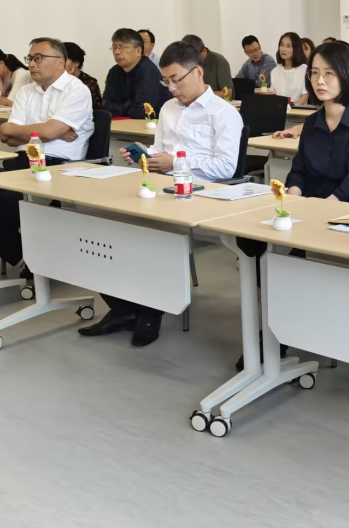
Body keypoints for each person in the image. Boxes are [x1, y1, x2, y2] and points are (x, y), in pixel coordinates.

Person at [85, 41, 244, 347]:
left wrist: (176, 163)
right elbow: (160, 149)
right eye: (166, 81)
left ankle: (150, 312)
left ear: (198, 73)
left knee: (149, 235)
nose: (171, 88)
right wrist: (145, 155)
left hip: (201, 194)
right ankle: (123, 307)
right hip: (162, 187)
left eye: (176, 80)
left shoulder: (223, 113)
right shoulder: (169, 109)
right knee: (105, 222)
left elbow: (226, 167)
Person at [0, 38, 94, 271]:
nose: (31, 64)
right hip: (22, 163)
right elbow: (6, 135)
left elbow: (41, 132)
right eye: (30, 58)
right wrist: (46, 131)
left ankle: (35, 263)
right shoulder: (26, 92)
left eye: (38, 58)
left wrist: (34, 132)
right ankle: (26, 262)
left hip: (56, 168)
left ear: (60, 62)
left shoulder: (77, 90)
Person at [284, 42, 349, 203]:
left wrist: (324, 206)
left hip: (348, 210)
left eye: (329, 73)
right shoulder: (311, 122)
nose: (319, 80)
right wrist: (293, 199)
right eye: (314, 72)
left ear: (345, 75)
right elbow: (298, 172)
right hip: (311, 206)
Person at [102, 28, 169, 119]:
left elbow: (142, 111)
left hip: (150, 124)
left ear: (138, 51)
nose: (117, 52)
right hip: (123, 123)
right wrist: (130, 104)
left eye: (122, 47)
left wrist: (120, 107)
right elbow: (106, 106)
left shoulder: (148, 71)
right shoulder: (114, 71)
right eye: (114, 48)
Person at [267, 32, 308, 103]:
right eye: (282, 45)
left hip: (296, 109)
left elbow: (304, 97)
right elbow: (272, 96)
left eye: (288, 46)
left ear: (296, 49)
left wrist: (291, 107)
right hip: (278, 109)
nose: (283, 49)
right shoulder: (275, 71)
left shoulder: (304, 70)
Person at [63, 42, 102, 109]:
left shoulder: (89, 83)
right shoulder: (54, 79)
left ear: (76, 63)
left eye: (63, 59)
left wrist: (69, 78)